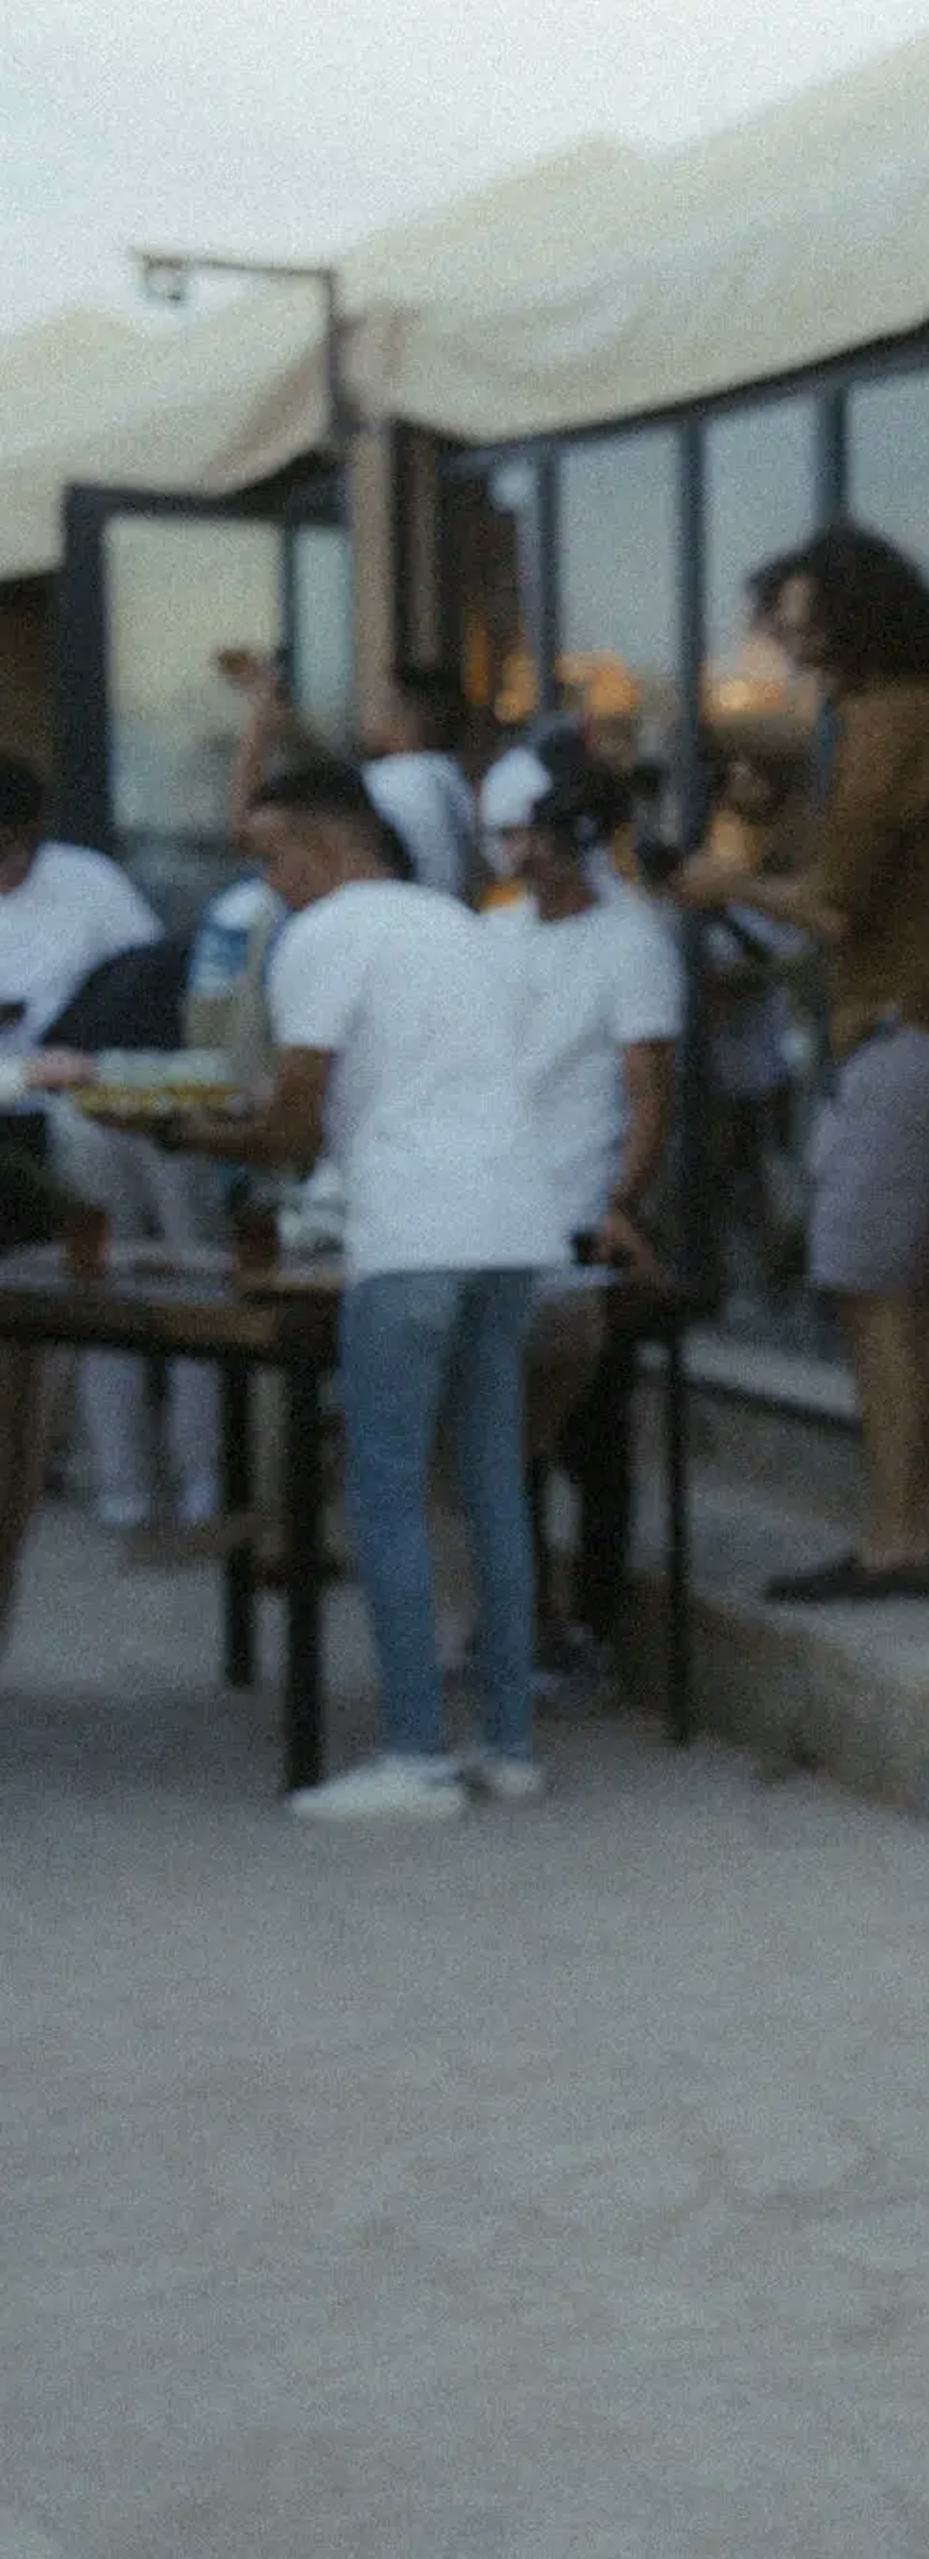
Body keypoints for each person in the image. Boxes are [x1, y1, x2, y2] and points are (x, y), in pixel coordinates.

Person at [180, 761, 564, 1820]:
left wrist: (193, 1134)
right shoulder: (457, 923)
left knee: (385, 1488)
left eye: (271, 861)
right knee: (492, 1482)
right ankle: (511, 1747)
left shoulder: (326, 935)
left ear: (325, 848)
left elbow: (296, 1122)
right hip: (512, 1222)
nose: (269, 888)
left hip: (413, 1228)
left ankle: (417, 1758)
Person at [673, 526, 929, 1601]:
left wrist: (721, 883)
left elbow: (833, 906)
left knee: (869, 1293)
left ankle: (892, 1541)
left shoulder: (881, 722)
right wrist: (776, 828)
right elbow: (876, 875)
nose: (781, 635)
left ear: (845, 616)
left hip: (905, 1035)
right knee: (910, 1297)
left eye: (796, 614)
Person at [478, 729, 682, 1673]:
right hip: (499, 1217)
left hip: (581, 1220)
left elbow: (649, 1097)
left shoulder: (631, 942)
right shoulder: (491, 934)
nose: (521, 857)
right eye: (510, 838)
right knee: (503, 1440)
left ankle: (594, 1627)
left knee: (592, 1443)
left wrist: (619, 1206)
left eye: (535, 837)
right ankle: (523, 1623)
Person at [0, 753, 225, 1546]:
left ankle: (206, 1481)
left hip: (121, 1096)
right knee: (91, 1290)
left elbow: (150, 980)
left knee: (195, 1277)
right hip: (35, 1116)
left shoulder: (88, 883)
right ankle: (123, 1488)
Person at [225, 654, 481, 899]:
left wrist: (259, 722)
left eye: (376, 702)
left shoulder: (399, 780)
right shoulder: (446, 778)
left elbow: (248, 831)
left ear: (404, 718)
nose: (365, 710)